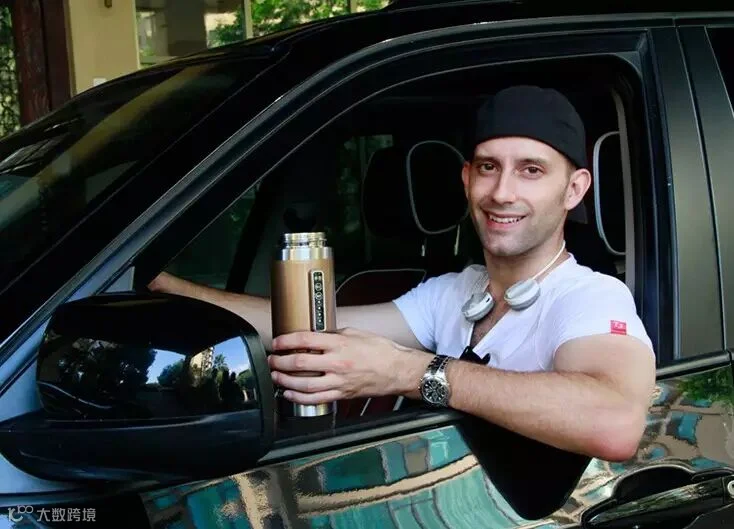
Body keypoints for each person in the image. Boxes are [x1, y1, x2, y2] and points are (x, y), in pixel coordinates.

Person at [149, 85, 656, 462]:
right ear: (467, 178)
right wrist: (157, 285)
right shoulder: (455, 292)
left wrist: (410, 372)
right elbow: (312, 329)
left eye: (531, 170)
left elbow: (615, 422)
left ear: (574, 189)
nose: (502, 193)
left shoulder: (589, 297)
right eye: (487, 167)